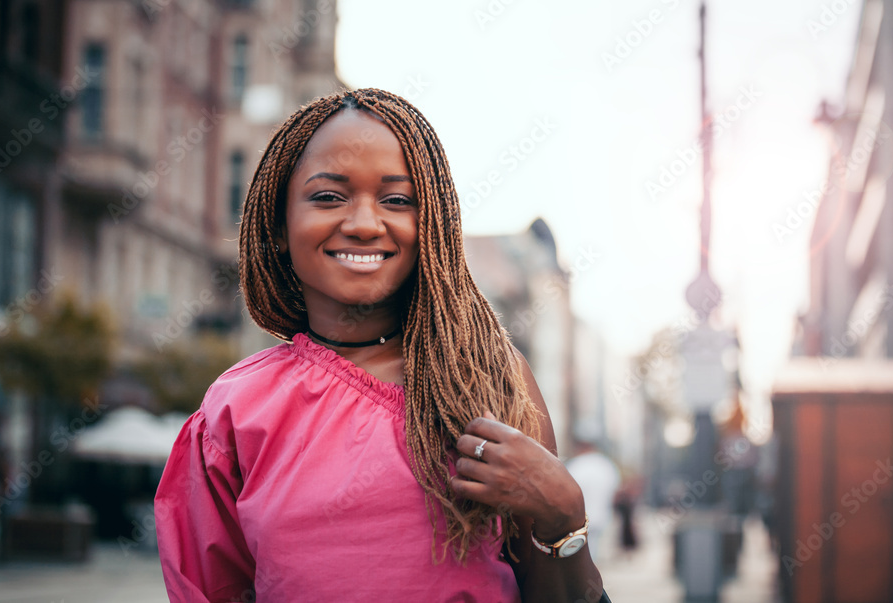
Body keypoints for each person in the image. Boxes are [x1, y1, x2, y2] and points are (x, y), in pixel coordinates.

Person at [154, 89, 611, 603]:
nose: (365, 224)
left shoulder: (490, 380)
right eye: (328, 196)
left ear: (431, 224)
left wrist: (564, 515)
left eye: (397, 200)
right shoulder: (235, 411)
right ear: (280, 226)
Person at [565, 435, 620, 561]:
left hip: (578, 517)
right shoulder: (606, 465)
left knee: (580, 552)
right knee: (593, 549)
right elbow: (615, 492)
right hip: (601, 515)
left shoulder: (576, 465)